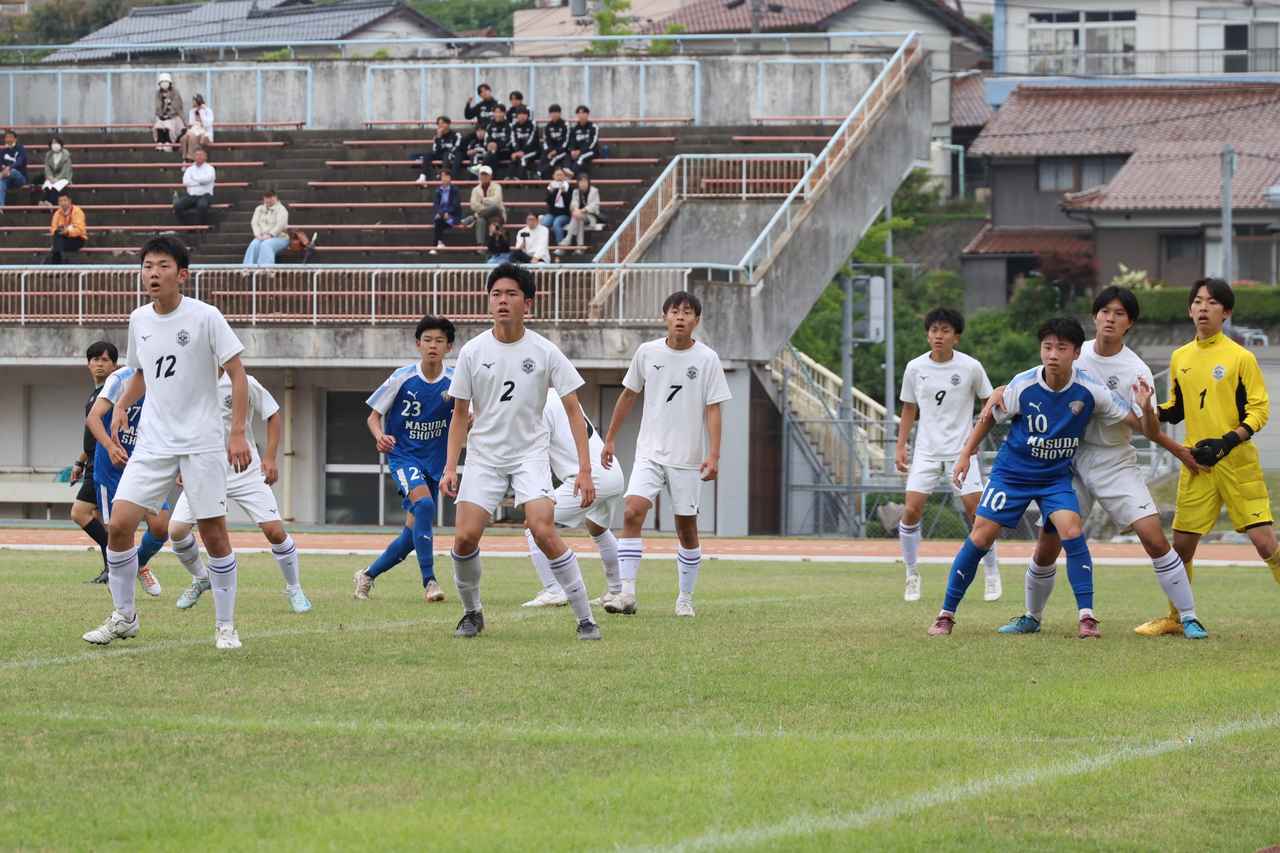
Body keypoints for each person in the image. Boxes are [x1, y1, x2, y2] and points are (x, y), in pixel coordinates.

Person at [984, 287, 1205, 639]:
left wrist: (1148, 410)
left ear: (1129, 322)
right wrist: (999, 389)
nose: (1110, 319)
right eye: (1104, 311)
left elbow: (1147, 429)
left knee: (1153, 538)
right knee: (1048, 542)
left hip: (1115, 461)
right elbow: (1035, 378)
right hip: (1070, 460)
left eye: (1119, 314)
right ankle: (1031, 616)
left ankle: (1188, 617)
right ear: (1095, 316)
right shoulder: (1075, 351)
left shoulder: (1136, 369)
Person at [928, 317, 1155, 638]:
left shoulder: (1091, 389)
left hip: (1054, 478)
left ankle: (1087, 617)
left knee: (1072, 530)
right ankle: (945, 615)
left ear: (1076, 353)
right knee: (981, 537)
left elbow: (1136, 422)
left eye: (1061, 348)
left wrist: (1147, 411)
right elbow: (989, 417)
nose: (1052, 354)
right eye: (1047, 347)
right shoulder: (1023, 384)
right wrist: (965, 454)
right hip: (1013, 475)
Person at [81, 235, 252, 651]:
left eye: (162, 266)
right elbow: (141, 372)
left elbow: (238, 373)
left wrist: (236, 432)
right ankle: (125, 616)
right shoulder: (139, 319)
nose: (152, 273)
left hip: (202, 441)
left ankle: (225, 626)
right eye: (147, 266)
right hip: (154, 441)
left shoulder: (206, 316)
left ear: (182, 274)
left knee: (213, 534)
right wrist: (122, 405)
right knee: (119, 525)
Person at [440, 263, 602, 640]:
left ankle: (585, 618)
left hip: (530, 456)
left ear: (527, 303)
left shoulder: (545, 351)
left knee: (543, 529)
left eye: (511, 294)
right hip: (484, 459)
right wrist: (451, 466)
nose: (502, 301)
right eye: (496, 294)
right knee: (464, 537)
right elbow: (460, 414)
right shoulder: (472, 351)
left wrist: (584, 469)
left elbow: (574, 411)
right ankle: (472, 614)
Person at [1135, 277, 1280, 635]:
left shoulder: (1240, 357)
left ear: (1226, 312)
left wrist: (1227, 441)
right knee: (1181, 547)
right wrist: (1150, 407)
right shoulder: (1180, 356)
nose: (1203, 307)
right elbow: (1179, 408)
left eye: (1212, 302)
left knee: (1264, 542)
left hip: (1237, 462)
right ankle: (1175, 617)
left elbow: (1259, 411)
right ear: (1189, 309)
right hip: (1197, 464)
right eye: (1198, 301)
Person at [600, 291, 730, 617]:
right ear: (664, 317)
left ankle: (685, 597)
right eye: (675, 311)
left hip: (687, 459)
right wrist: (610, 439)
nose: (681, 317)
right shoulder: (647, 352)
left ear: (697, 321)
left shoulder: (707, 359)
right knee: (632, 510)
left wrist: (713, 455)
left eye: (688, 312)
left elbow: (714, 409)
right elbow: (629, 395)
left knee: (686, 528)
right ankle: (626, 593)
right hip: (649, 453)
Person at [169, 368, 311, 614]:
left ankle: (294, 588)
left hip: (245, 469)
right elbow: (182, 427)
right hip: (203, 469)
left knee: (274, 531)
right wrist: (182, 463)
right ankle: (202, 579)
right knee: (177, 531)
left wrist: (269, 458)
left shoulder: (244, 382)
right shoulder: (190, 380)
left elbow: (273, 414)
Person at [894, 308, 1000, 603]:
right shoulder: (915, 367)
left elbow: (988, 403)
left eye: (945, 331)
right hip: (926, 451)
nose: (938, 336)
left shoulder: (971, 367)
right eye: (933, 330)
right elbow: (908, 408)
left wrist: (974, 439)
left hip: (961, 453)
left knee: (978, 514)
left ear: (956, 336)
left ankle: (991, 571)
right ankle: (911, 574)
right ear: (927, 334)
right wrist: (901, 445)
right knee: (912, 510)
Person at [353, 316, 455, 604]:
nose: (432, 346)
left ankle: (367, 575)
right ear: (418, 344)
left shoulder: (457, 380)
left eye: (439, 341)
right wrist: (379, 436)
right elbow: (373, 416)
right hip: (404, 457)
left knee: (412, 534)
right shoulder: (402, 376)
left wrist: (470, 419)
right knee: (424, 505)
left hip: (435, 463)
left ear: (449, 347)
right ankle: (430, 581)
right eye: (427, 340)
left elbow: (465, 416)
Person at [522, 394, 626, 609]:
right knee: (597, 528)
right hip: (612, 472)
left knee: (534, 524)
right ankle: (617, 591)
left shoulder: (539, 404)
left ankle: (553, 590)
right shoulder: (560, 396)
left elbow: (535, 451)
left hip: (592, 476)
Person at [85, 362, 176, 600]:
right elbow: (94, 418)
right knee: (117, 532)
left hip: (146, 464)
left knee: (160, 527)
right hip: (111, 469)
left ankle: (140, 564)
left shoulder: (167, 379)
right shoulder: (120, 379)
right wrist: (110, 446)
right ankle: (123, 605)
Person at [71, 341, 120, 584]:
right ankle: (111, 569)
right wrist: (79, 462)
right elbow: (90, 432)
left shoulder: (112, 394)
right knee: (104, 520)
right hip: (91, 462)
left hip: (104, 463)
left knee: (79, 513)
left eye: (105, 360)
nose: (99, 365)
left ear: (115, 365)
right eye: (94, 360)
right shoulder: (95, 393)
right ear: (88, 364)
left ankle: (118, 562)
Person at [242, 189, 289, 267]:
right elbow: (254, 223)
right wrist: (257, 235)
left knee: (266, 244)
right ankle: (247, 268)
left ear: (275, 198)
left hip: (280, 238)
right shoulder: (259, 209)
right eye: (266, 199)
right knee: (254, 244)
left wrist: (270, 235)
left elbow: (280, 225)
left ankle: (266, 269)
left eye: (270, 198)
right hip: (261, 236)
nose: (268, 201)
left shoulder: (282, 209)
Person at [465, 165, 504, 249]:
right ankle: (480, 246)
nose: (484, 177)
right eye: (482, 175)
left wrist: (483, 200)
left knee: (495, 208)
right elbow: (473, 205)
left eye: (486, 175)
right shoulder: (475, 189)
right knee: (480, 220)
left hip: (496, 214)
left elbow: (496, 201)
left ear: (490, 176)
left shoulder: (497, 187)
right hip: (484, 215)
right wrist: (486, 206)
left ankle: (474, 217)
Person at [174, 147, 215, 226]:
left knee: (202, 206)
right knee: (177, 206)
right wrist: (199, 182)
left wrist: (194, 180)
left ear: (205, 157)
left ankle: (200, 227)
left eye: (201, 155)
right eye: (197, 155)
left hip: (205, 195)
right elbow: (186, 182)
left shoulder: (210, 168)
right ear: (194, 156)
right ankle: (186, 226)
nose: (198, 157)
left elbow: (207, 179)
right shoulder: (189, 169)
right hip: (191, 195)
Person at [413, 115, 461, 182]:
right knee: (427, 155)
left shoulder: (456, 134)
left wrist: (447, 150)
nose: (440, 126)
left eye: (442, 123)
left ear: (448, 124)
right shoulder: (437, 136)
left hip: (451, 155)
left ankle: (443, 175)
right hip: (439, 154)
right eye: (438, 124)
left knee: (446, 154)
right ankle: (423, 176)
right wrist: (438, 138)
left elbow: (457, 147)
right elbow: (435, 150)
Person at [45, 192, 87, 265]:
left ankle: (51, 267)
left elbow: (80, 230)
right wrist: (61, 231)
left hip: (77, 239)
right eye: (60, 201)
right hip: (61, 238)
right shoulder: (57, 213)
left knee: (56, 246)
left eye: (65, 200)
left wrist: (67, 232)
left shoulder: (77, 211)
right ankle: (61, 264)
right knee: (57, 239)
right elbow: (53, 228)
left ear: (70, 201)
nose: (62, 203)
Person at [562, 172, 600, 253]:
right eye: (581, 181)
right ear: (578, 183)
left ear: (588, 182)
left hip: (591, 217)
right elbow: (573, 203)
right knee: (578, 218)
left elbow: (594, 206)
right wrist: (576, 209)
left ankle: (567, 239)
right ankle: (580, 246)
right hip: (579, 217)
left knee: (576, 216)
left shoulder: (594, 191)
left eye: (585, 181)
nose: (583, 183)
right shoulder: (575, 192)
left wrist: (582, 210)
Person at [476, 104, 513, 178]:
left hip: (506, 151)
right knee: (491, 154)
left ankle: (482, 171)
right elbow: (486, 140)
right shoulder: (490, 125)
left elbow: (510, 140)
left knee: (491, 155)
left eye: (500, 112)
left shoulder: (509, 125)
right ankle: (488, 176)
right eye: (496, 112)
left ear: (504, 113)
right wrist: (489, 145)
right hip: (492, 151)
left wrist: (497, 146)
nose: (498, 114)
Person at [152, 72, 185, 152]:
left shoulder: (175, 92)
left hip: (174, 117)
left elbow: (177, 105)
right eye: (162, 82)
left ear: (170, 83)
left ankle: (168, 142)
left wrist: (169, 114)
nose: (164, 84)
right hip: (162, 117)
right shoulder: (158, 93)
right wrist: (161, 114)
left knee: (169, 125)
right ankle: (160, 142)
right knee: (158, 126)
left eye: (166, 82)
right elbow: (157, 105)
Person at [431, 169, 462, 254]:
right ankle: (439, 242)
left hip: (452, 216)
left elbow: (455, 205)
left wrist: (447, 213)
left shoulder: (455, 190)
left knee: (438, 222)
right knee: (438, 221)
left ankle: (435, 245)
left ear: (450, 178)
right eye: (442, 177)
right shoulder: (438, 190)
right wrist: (441, 213)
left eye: (446, 176)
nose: (444, 178)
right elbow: (436, 204)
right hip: (441, 216)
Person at [0, 128, 29, 209]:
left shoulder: (21, 149)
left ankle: (2, 175)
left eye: (10, 137)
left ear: (15, 139)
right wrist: (3, 168)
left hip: (20, 178)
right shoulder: (2, 151)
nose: (8, 139)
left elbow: (20, 161)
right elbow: (0, 163)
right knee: (1, 183)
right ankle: (1, 207)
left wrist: (8, 168)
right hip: (7, 178)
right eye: (7, 137)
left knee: (12, 171)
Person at [40, 135, 72, 206]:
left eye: (56, 143)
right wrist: (50, 177)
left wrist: (57, 179)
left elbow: (66, 169)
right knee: (48, 185)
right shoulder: (48, 154)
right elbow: (47, 168)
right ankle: (43, 201)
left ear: (60, 144)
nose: (55, 145)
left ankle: (49, 202)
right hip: (52, 177)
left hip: (64, 177)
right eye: (53, 143)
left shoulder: (66, 154)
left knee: (56, 186)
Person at [567, 105, 599, 176]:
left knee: (581, 157)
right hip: (578, 152)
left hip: (592, 151)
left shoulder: (593, 127)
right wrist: (572, 150)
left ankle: (571, 172)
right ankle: (568, 171)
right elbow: (572, 141)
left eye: (583, 113)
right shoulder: (575, 128)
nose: (581, 115)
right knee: (567, 154)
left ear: (587, 114)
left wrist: (580, 151)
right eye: (579, 113)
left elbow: (592, 143)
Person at [509, 107, 541, 179]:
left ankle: (520, 179)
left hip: (533, 151)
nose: (522, 116)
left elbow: (532, 140)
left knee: (523, 158)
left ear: (527, 115)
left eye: (524, 114)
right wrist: (517, 151)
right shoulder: (514, 126)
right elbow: (513, 140)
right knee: (513, 158)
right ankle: (509, 178)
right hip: (519, 151)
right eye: (520, 114)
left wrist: (523, 151)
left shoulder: (532, 125)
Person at [182, 94, 213, 162]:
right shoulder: (192, 111)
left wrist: (201, 112)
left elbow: (207, 124)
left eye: (194, 101)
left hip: (204, 132)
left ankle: (191, 159)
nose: (193, 102)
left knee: (193, 138)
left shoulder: (207, 110)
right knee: (184, 138)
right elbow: (191, 123)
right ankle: (185, 158)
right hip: (194, 129)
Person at [540, 104, 569, 178]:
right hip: (551, 151)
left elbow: (566, 141)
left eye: (556, 112)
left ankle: (541, 172)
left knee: (555, 161)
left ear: (560, 113)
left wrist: (556, 151)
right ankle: (540, 174)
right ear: (549, 114)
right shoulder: (548, 126)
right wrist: (550, 151)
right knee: (544, 156)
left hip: (563, 151)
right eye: (552, 113)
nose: (554, 114)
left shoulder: (565, 125)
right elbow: (546, 141)